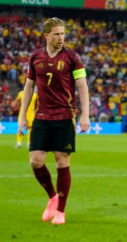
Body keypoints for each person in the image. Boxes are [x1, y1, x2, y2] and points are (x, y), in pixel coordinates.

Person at [18, 17, 90, 225]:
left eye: (63, 34)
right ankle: (52, 196)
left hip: (65, 116)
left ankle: (61, 211)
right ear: (46, 36)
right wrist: (23, 116)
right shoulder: (35, 57)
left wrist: (85, 114)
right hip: (41, 116)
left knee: (61, 160)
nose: (61, 38)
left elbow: (82, 86)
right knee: (35, 160)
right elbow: (29, 87)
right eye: (57, 34)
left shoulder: (72, 57)